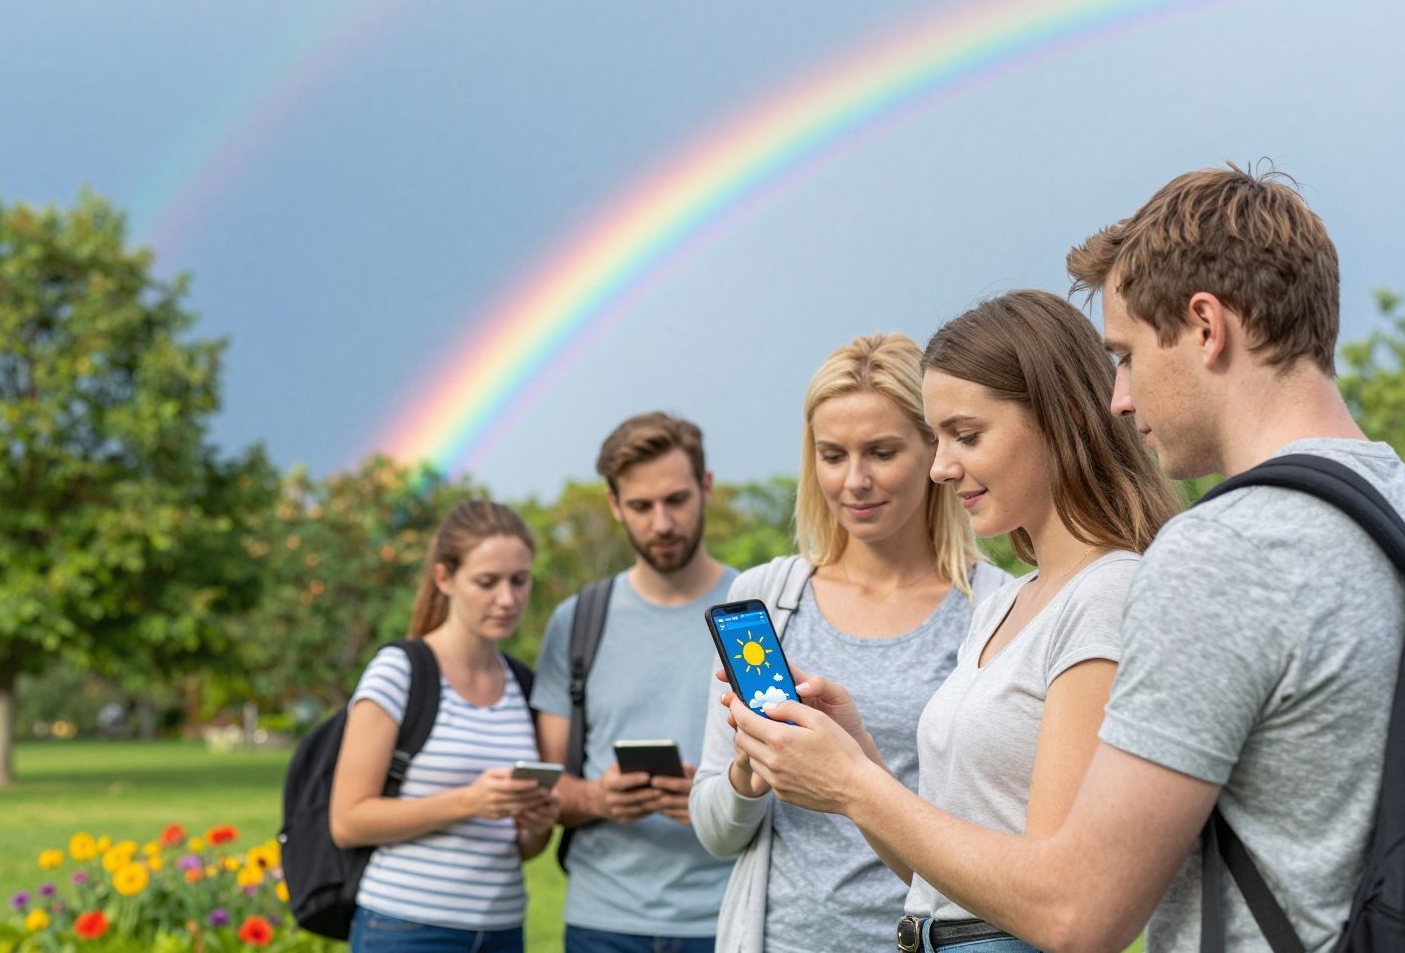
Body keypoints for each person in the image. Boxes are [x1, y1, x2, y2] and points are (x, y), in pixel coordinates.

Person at [728, 166, 1405, 953]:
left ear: (1207, 326)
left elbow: (1078, 914)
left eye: (1125, 354)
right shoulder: (1385, 503)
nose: (1118, 397)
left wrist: (851, 784)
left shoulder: (1219, 553)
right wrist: (861, 772)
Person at [690, 332, 1011, 953]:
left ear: (932, 450)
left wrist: (857, 776)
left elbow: (997, 840)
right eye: (832, 455)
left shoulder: (996, 608)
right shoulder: (767, 599)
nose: (855, 480)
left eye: (882, 452)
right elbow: (713, 832)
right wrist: (748, 772)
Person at [532, 412, 738, 953]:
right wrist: (599, 797)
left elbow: (802, 774)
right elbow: (547, 785)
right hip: (602, 922)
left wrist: (714, 799)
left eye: (676, 500)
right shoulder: (576, 622)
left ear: (706, 488)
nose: (662, 523)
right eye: (642, 507)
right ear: (614, 505)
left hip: (727, 916)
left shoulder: (754, 614)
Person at [330, 500, 560, 953]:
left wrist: (536, 823)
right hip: (406, 928)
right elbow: (348, 820)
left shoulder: (523, 683)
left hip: (502, 929)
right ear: (444, 579)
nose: (508, 599)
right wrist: (470, 800)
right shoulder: (400, 671)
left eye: (520, 580)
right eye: (487, 582)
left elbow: (525, 847)